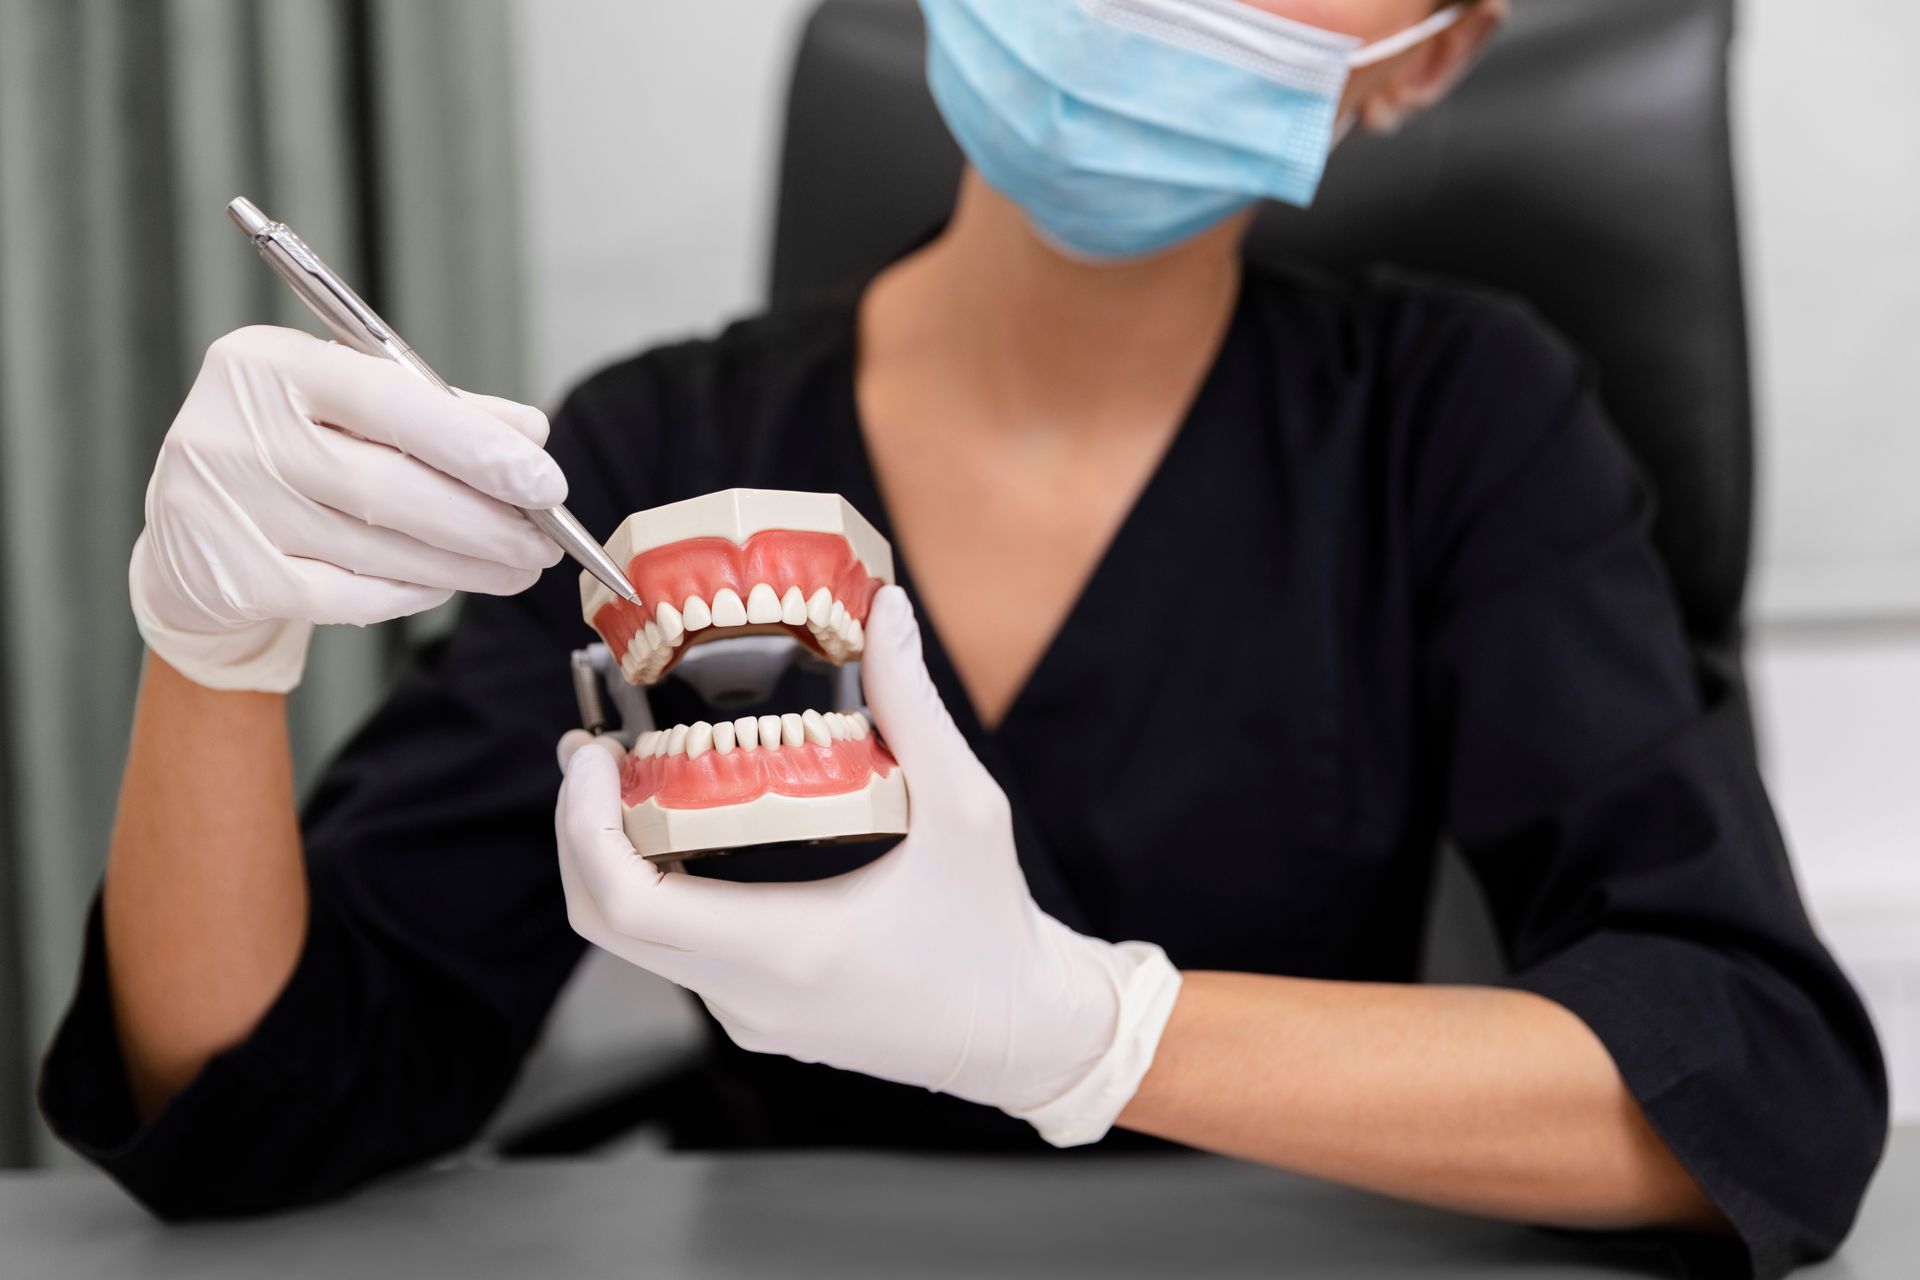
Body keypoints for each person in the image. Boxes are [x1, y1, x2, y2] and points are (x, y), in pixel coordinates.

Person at [40, 1, 1884, 1277]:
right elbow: (243, 1107)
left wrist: (1091, 1034)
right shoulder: (661, 469)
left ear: (1428, 55)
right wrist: (215, 650)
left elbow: (1750, 1083)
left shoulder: (1463, 424)